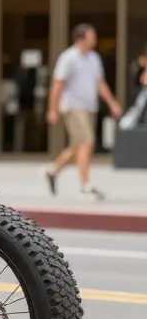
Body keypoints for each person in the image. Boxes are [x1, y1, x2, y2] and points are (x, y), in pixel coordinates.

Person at [43, 23, 121, 200]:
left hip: (89, 108)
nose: (94, 39)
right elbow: (57, 84)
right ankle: (85, 184)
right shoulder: (68, 57)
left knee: (78, 147)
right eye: (91, 36)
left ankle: (53, 172)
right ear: (81, 38)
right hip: (72, 107)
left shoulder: (94, 58)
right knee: (87, 142)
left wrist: (112, 103)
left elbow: (100, 83)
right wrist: (52, 109)